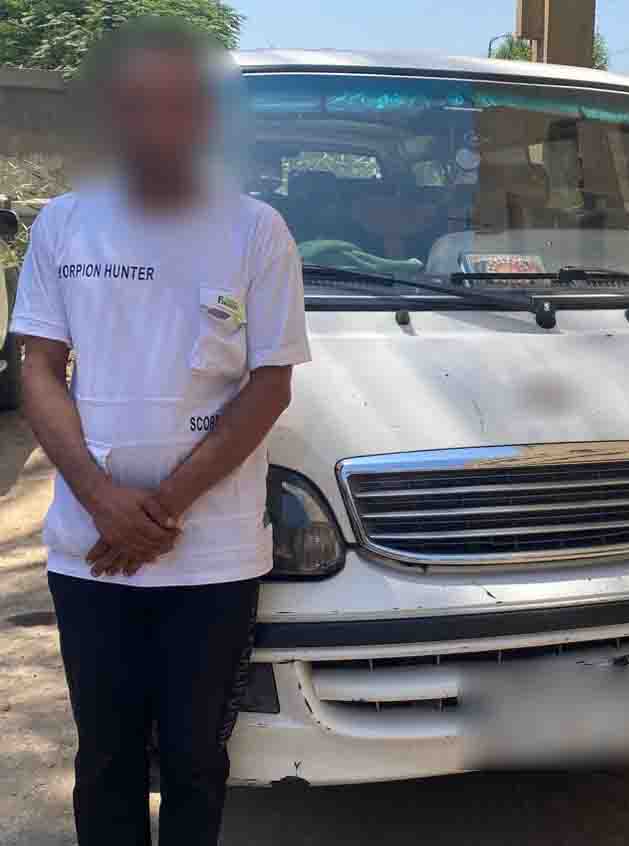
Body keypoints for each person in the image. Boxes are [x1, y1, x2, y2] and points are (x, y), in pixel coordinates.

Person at [10, 18, 310, 846]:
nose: (156, 122)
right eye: (136, 103)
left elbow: (270, 384)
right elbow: (39, 367)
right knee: (105, 757)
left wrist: (159, 508)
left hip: (212, 553)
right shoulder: (63, 224)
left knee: (194, 759)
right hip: (88, 549)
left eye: (178, 103)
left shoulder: (256, 229)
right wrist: (103, 502)